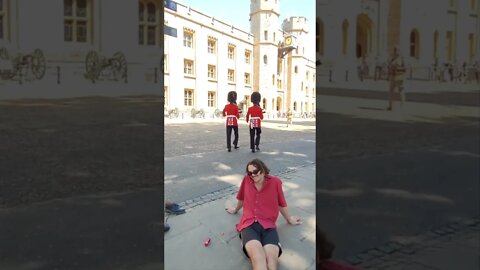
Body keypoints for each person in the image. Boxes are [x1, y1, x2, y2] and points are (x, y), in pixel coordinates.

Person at [226, 159, 302, 270]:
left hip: (268, 225)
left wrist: (289, 219)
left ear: (262, 170)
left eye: (255, 171)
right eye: (249, 173)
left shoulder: (275, 182)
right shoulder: (247, 180)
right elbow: (242, 198)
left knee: (271, 261)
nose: (252, 175)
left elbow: (281, 203)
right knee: (258, 258)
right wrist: (236, 209)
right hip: (249, 224)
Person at [387, 46, 406, 111]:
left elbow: (405, 68)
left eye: (397, 50)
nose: (396, 51)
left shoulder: (402, 58)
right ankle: (390, 106)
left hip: (399, 77)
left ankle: (402, 107)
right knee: (391, 91)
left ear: (399, 51)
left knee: (401, 92)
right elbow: (389, 66)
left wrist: (398, 68)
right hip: (393, 77)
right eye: (395, 50)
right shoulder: (393, 58)